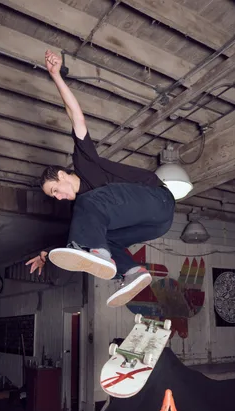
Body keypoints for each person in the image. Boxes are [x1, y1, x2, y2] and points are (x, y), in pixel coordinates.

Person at [26, 50, 175, 307]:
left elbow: (76, 116)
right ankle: (133, 272)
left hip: (157, 199)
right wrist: (48, 254)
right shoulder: (85, 211)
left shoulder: (84, 161)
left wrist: (56, 76)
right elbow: (76, 244)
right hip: (157, 225)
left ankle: (102, 255)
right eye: (55, 196)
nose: (59, 197)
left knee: (88, 207)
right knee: (102, 234)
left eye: (55, 190)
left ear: (62, 174)